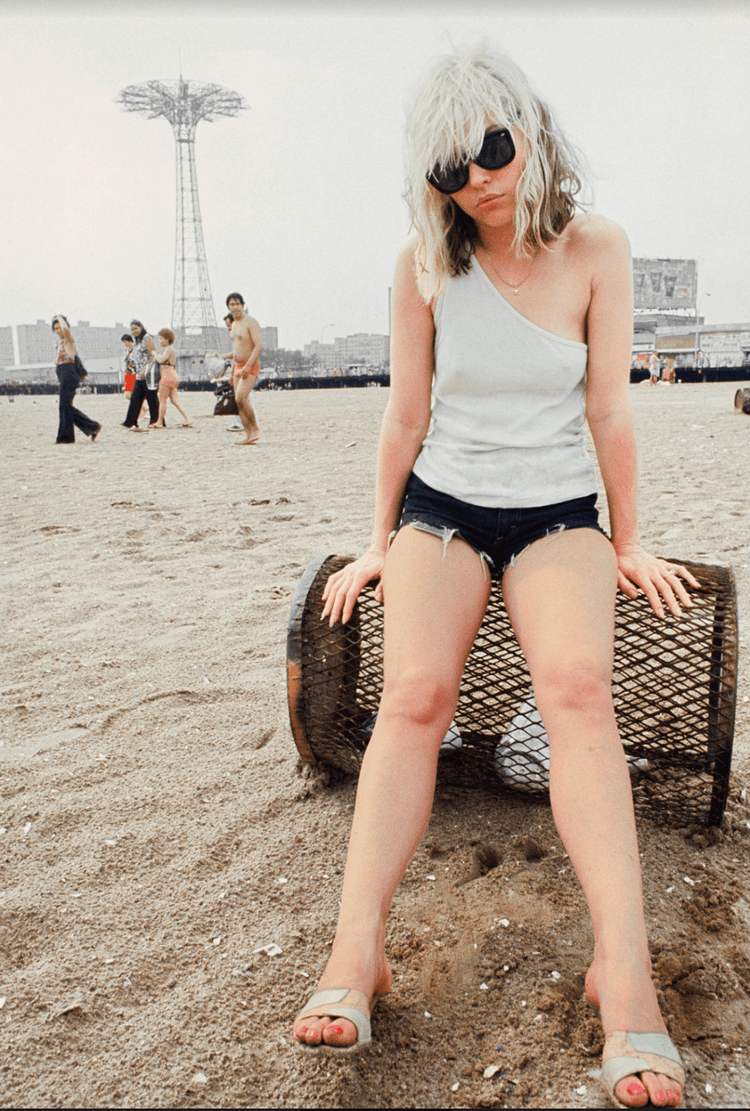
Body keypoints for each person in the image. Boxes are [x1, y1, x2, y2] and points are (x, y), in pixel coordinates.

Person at [293, 45, 699, 1109]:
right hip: (445, 504)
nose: (475, 178)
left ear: (527, 129)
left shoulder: (597, 248)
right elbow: (406, 414)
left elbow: (610, 410)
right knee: (414, 699)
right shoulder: (423, 263)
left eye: (490, 148)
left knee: (577, 695)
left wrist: (630, 540)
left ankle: (626, 972)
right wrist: (377, 539)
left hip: (559, 506)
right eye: (447, 168)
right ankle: (357, 952)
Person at [219, 292, 263, 445]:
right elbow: (237, 350)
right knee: (238, 403)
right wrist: (231, 372)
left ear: (243, 305)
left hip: (250, 365)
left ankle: (256, 428)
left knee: (240, 398)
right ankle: (249, 435)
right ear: (228, 307)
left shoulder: (250, 322)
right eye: (232, 304)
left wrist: (248, 365)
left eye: (238, 303)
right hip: (237, 367)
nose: (235, 307)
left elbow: (258, 346)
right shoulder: (234, 325)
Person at [52, 315, 101, 444]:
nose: (58, 330)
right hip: (64, 375)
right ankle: (92, 427)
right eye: (55, 328)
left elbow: (66, 330)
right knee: (65, 406)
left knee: (64, 405)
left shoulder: (69, 340)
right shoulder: (58, 343)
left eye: (60, 327)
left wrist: (59, 317)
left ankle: (66, 437)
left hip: (70, 373)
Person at [121, 320, 158, 430]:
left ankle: (155, 421)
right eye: (132, 329)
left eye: (136, 328)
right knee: (135, 398)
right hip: (139, 375)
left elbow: (153, 355)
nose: (134, 331)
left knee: (151, 398)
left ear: (141, 327)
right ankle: (131, 422)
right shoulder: (137, 340)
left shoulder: (147, 338)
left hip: (148, 373)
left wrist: (145, 369)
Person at [152, 328, 192, 428]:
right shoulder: (170, 349)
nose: (160, 341)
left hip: (167, 376)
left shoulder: (169, 349)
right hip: (173, 376)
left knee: (162, 400)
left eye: (161, 339)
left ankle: (159, 422)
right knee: (174, 400)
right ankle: (187, 419)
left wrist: (154, 354)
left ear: (167, 339)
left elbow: (161, 360)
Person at [121, 334, 136, 400]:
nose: (124, 344)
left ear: (130, 341)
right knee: (127, 394)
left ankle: (141, 408)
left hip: (135, 373)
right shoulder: (126, 351)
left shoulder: (136, 349)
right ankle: (143, 408)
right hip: (128, 373)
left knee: (134, 393)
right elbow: (126, 363)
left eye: (125, 342)